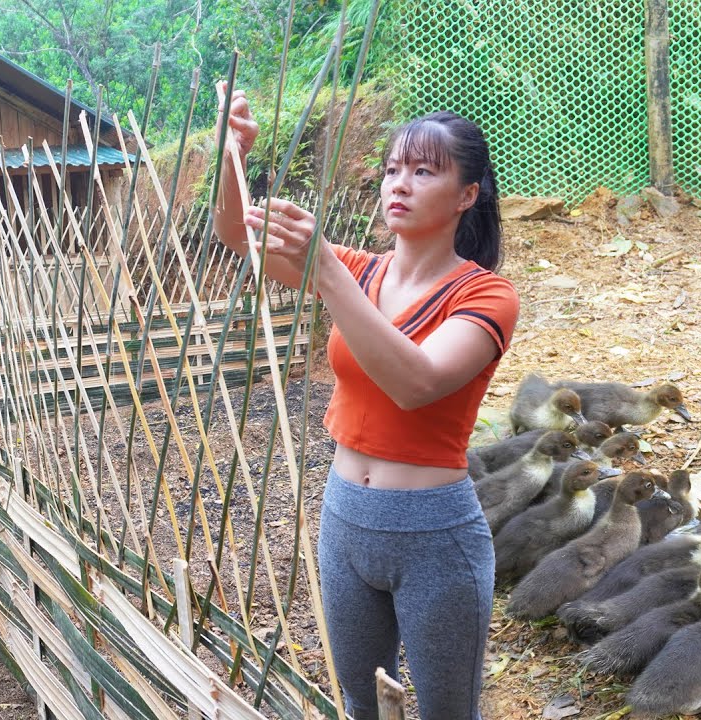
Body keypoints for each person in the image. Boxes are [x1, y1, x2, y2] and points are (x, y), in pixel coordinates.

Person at [212, 81, 518, 720]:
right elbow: (238, 235)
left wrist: (325, 269)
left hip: (434, 534)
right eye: (392, 170)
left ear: (467, 195)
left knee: (446, 711)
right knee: (361, 701)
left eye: (424, 171)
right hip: (345, 515)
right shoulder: (361, 271)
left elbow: (416, 384)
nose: (399, 184)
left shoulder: (486, 296)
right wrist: (230, 152)